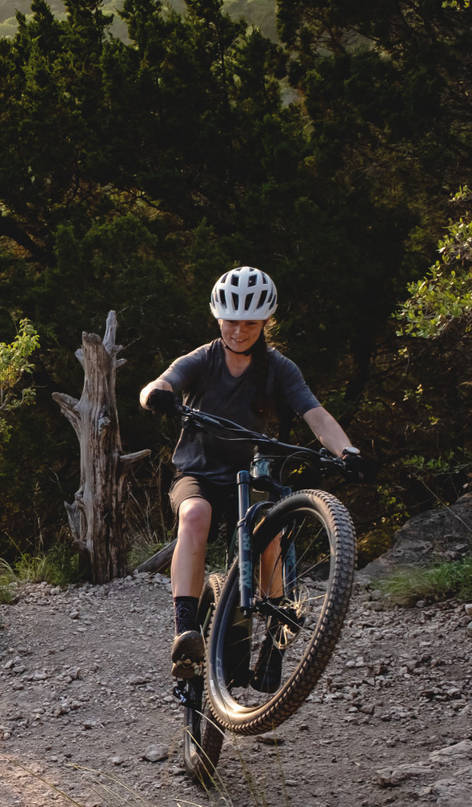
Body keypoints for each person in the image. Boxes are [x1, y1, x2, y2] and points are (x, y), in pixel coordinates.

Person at [139, 266, 363, 683]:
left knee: (269, 532)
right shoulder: (202, 360)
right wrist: (156, 395)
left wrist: (347, 451)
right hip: (199, 473)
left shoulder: (279, 368)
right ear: (217, 317)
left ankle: (278, 629)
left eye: (250, 323)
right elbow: (162, 382)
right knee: (194, 517)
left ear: (265, 323)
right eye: (231, 321)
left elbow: (314, 414)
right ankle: (185, 630)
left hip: (253, 475)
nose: (240, 331)